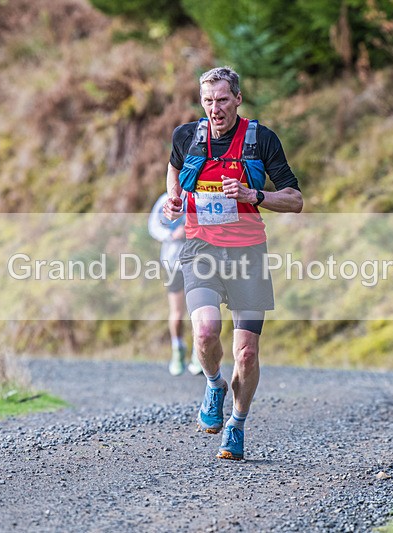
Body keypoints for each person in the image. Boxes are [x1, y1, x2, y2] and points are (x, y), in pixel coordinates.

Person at [163, 66, 303, 460]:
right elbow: (174, 168)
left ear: (238, 99)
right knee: (206, 332)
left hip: (248, 254)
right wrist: (174, 197)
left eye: (222, 100)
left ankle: (237, 423)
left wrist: (251, 193)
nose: (215, 109)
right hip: (200, 249)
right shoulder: (187, 136)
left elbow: (294, 200)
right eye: (208, 101)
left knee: (246, 354)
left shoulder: (261, 140)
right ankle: (213, 384)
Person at [147, 192, 202, 377]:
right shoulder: (166, 199)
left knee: (198, 311)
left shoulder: (202, 195)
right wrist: (172, 234)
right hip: (174, 263)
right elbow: (153, 226)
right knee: (177, 313)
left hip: (199, 262)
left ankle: (198, 353)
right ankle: (177, 350)